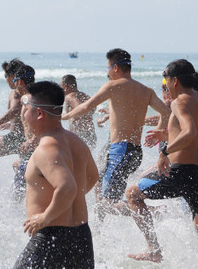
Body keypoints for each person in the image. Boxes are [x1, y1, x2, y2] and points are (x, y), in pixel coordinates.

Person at [2, 81, 142, 269]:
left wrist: (45, 217)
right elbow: (89, 179)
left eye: (25, 107)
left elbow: (66, 187)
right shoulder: (75, 141)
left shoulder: (46, 149)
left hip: (53, 237)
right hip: (80, 233)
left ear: (39, 113)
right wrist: (68, 205)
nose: (21, 112)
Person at [129, 61, 198, 268]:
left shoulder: (179, 102)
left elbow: (190, 133)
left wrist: (164, 151)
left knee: (132, 194)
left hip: (182, 172)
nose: (166, 84)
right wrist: (166, 134)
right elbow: (195, 133)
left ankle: (154, 250)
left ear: (174, 80)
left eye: (165, 79)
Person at [60, 49, 168, 215]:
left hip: (121, 152)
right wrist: (160, 132)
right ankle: (101, 231)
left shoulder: (113, 86)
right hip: (135, 153)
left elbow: (87, 106)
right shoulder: (146, 91)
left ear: (116, 68)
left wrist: (65, 116)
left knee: (107, 204)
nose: (108, 73)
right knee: (98, 183)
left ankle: (155, 212)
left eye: (108, 68)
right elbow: (166, 113)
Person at [0, 60, 35, 157]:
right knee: (19, 165)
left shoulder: (17, 93)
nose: (6, 80)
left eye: (5, 76)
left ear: (12, 76)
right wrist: (10, 124)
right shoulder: (27, 92)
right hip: (23, 136)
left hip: (18, 137)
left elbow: (15, 110)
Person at [61, 74, 98, 149]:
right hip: (90, 134)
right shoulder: (85, 95)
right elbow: (92, 108)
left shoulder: (70, 97)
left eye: (61, 87)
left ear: (66, 86)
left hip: (78, 134)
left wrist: (66, 115)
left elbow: (80, 108)